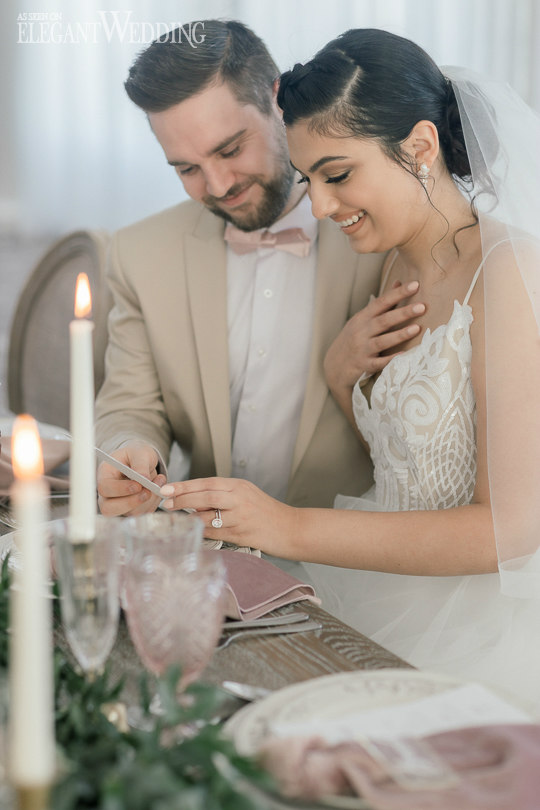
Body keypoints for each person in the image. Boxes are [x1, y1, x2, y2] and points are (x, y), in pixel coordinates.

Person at [159, 29, 540, 708]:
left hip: (480, 620)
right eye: (309, 180)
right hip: (394, 583)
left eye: (337, 174)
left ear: (421, 147)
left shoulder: (508, 274)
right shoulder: (397, 265)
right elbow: (419, 470)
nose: (322, 207)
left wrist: (285, 525)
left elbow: (506, 528)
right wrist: (342, 379)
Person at [95, 20, 414, 518]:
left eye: (230, 149)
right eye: (186, 168)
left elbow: (421, 449)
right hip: (204, 556)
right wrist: (130, 448)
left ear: (277, 100)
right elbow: (128, 404)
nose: (218, 185)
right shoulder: (139, 253)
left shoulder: (383, 238)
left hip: (351, 564)